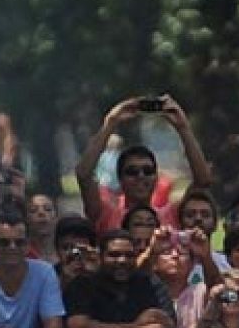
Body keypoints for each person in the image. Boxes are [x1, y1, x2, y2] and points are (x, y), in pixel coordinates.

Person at [75, 95, 214, 235]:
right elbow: (83, 174)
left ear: (156, 177)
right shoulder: (106, 213)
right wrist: (111, 122)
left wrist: (183, 127)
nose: (141, 176)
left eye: (148, 171)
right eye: (132, 171)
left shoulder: (171, 216)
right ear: (120, 178)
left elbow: (203, 181)